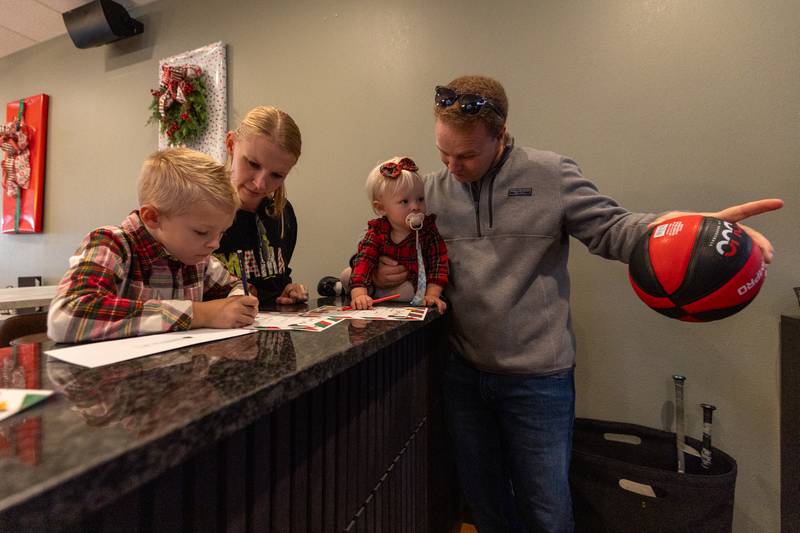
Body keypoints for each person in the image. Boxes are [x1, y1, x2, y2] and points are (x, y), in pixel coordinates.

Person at [371, 75, 782, 532]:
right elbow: (391, 246)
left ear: (500, 135)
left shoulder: (551, 174)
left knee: (546, 510)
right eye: (444, 153)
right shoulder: (433, 190)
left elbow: (615, 230)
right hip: (464, 375)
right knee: (483, 502)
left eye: (467, 155)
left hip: (538, 380)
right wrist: (373, 272)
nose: (453, 166)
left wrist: (688, 230)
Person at [48, 148, 259, 343]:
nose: (215, 243)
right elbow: (66, 315)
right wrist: (200, 313)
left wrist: (239, 304)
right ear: (152, 218)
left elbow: (235, 286)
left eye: (221, 232)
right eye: (201, 232)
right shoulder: (111, 245)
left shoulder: (196, 259)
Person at [213, 106, 308, 307]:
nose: (261, 184)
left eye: (277, 175)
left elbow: (274, 278)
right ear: (231, 145)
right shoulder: (201, 210)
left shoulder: (282, 214)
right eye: (253, 164)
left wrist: (286, 289)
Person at [343, 156, 448, 314]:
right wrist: (359, 295)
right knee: (348, 275)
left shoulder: (428, 231)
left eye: (420, 199)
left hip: (409, 286)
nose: (415, 207)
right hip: (376, 282)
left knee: (407, 292)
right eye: (404, 202)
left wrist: (432, 295)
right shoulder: (377, 232)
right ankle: (347, 289)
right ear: (381, 208)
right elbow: (364, 259)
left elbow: (438, 264)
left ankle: (361, 292)